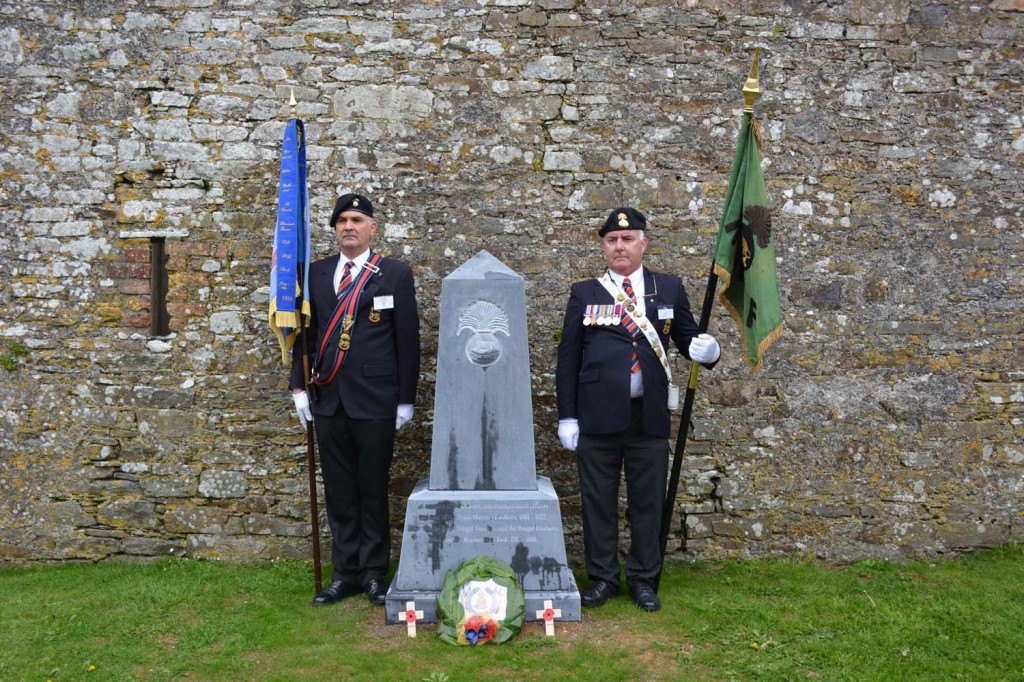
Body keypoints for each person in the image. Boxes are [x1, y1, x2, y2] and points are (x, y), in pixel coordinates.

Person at [555, 206, 720, 613]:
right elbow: (568, 359)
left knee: (648, 501)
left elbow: (687, 340)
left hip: (647, 415)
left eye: (628, 239)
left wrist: (709, 349)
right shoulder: (585, 292)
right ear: (603, 247)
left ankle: (644, 579)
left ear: (643, 243)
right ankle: (604, 578)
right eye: (611, 240)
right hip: (597, 416)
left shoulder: (668, 288)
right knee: (598, 500)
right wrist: (567, 416)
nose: (619, 246)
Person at [289, 193, 420, 606]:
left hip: (376, 400)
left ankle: (374, 573)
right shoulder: (315, 273)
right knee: (340, 491)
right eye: (342, 220)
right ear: (334, 228)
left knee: (373, 487)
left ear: (371, 228)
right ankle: (344, 572)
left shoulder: (394, 274)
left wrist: (406, 400)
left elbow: (408, 341)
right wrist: (298, 387)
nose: (349, 226)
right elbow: (304, 336)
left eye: (357, 219)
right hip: (328, 398)